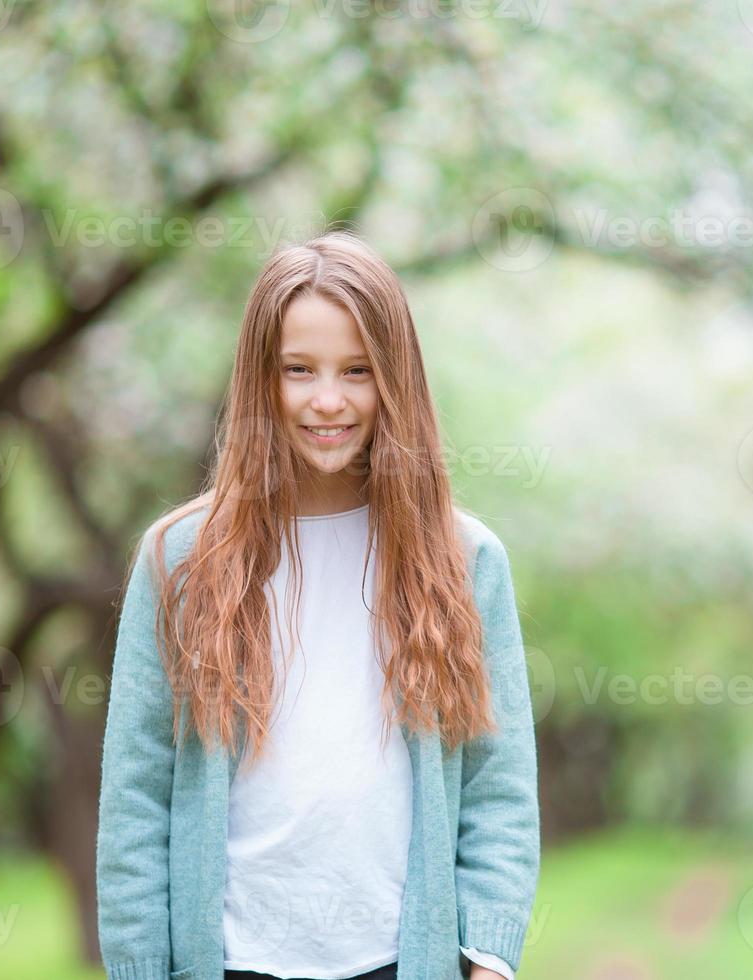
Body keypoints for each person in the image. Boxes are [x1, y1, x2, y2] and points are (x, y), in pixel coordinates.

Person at [95, 230, 540, 980]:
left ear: (395, 378)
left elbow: (497, 789)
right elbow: (137, 796)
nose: (326, 399)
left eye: (357, 371)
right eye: (298, 370)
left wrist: (488, 958)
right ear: (259, 380)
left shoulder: (466, 562)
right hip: (231, 963)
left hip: (402, 962)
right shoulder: (179, 559)